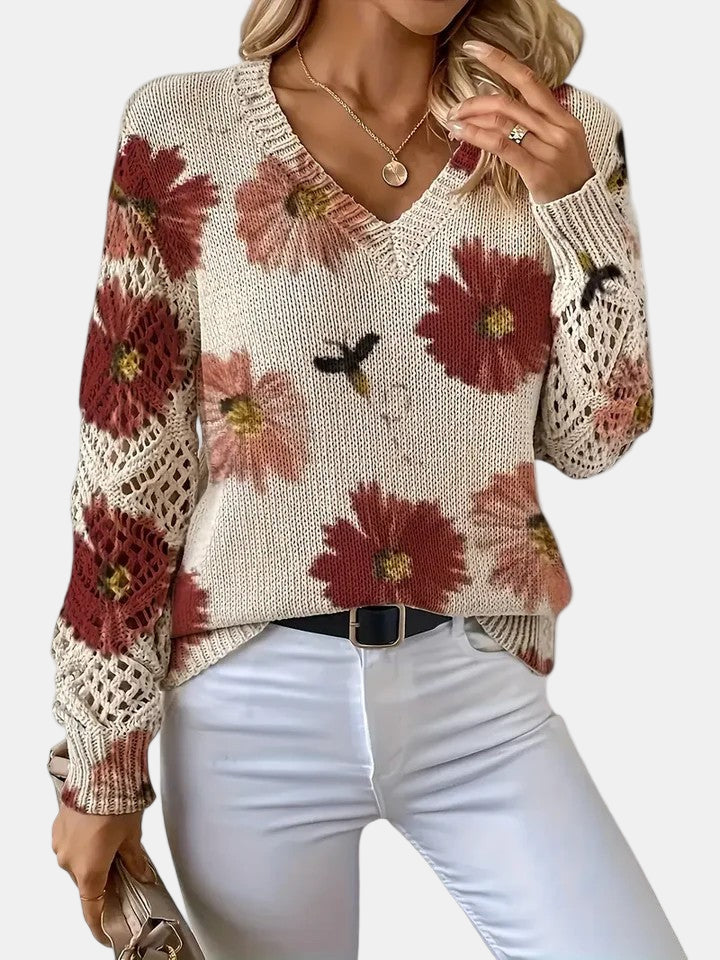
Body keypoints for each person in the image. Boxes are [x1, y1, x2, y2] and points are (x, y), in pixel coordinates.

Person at [50, 1, 687, 958]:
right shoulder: (182, 130)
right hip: (248, 713)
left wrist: (574, 205)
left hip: (479, 698)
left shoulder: (561, 133)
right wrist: (102, 762)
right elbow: (129, 462)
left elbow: (596, 434)